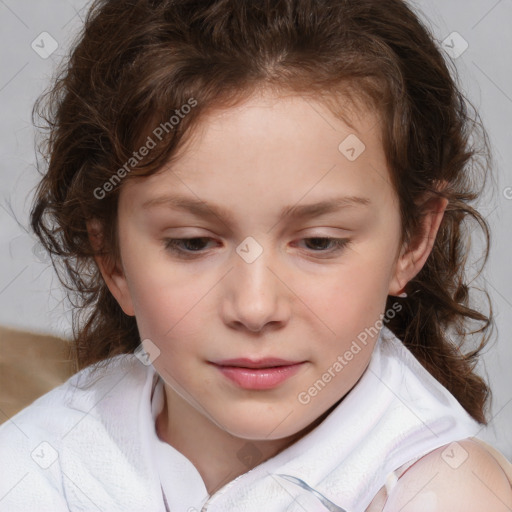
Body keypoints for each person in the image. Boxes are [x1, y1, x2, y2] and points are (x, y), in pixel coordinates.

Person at [1, 0, 511, 510]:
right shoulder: (37, 463)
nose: (255, 307)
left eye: (319, 242)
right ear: (111, 258)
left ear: (413, 240)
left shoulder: (443, 492)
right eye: (192, 243)